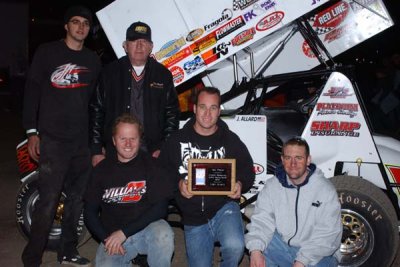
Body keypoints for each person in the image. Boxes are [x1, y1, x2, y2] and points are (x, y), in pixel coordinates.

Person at [21, 5, 101, 267]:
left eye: (85, 24)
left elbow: (91, 103)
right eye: (75, 22)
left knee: (76, 201)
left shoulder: (93, 60)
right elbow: (32, 92)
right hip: (53, 140)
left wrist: (94, 142)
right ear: (66, 26)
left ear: (89, 30)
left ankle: (67, 252)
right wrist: (32, 132)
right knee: (48, 200)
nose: (80, 27)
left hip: (81, 143)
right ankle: (32, 257)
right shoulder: (47, 52)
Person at [158, 87, 255, 267]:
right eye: (203, 107)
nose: (207, 114)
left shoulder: (230, 139)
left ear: (219, 111)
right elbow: (161, 173)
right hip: (193, 216)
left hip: (223, 207)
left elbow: (248, 170)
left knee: (235, 245)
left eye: (213, 108)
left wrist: (240, 183)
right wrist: (177, 185)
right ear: (194, 109)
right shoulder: (175, 140)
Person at [84, 113, 174, 267]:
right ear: (114, 140)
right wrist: (107, 239)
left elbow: (160, 208)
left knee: (163, 233)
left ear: (140, 140)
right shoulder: (101, 170)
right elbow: (89, 212)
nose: (128, 144)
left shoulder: (152, 165)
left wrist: (124, 232)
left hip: (147, 231)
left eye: (133, 138)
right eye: (122, 138)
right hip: (113, 236)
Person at [90, 21, 180, 166]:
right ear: (125, 46)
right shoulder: (109, 73)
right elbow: (96, 111)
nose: (139, 45)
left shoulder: (162, 75)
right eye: (134, 41)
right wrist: (96, 150)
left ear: (151, 47)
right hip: (115, 152)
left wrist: (164, 147)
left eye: (144, 41)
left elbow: (172, 114)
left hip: (152, 153)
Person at [245, 137, 342, 267]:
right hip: (284, 247)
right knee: (261, 245)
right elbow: (262, 221)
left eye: (299, 158)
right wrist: (255, 250)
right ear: (282, 160)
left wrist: (302, 261)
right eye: (288, 158)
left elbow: (328, 235)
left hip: (317, 255)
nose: (293, 163)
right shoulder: (272, 186)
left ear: (308, 160)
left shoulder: (325, 190)